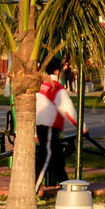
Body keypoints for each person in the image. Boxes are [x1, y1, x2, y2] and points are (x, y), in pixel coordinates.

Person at [34, 57, 77, 189]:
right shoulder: (57, 88)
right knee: (45, 160)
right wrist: (81, 126)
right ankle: (32, 190)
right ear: (58, 71)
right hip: (49, 128)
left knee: (58, 161)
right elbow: (68, 110)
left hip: (40, 126)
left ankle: (66, 187)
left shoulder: (39, 85)